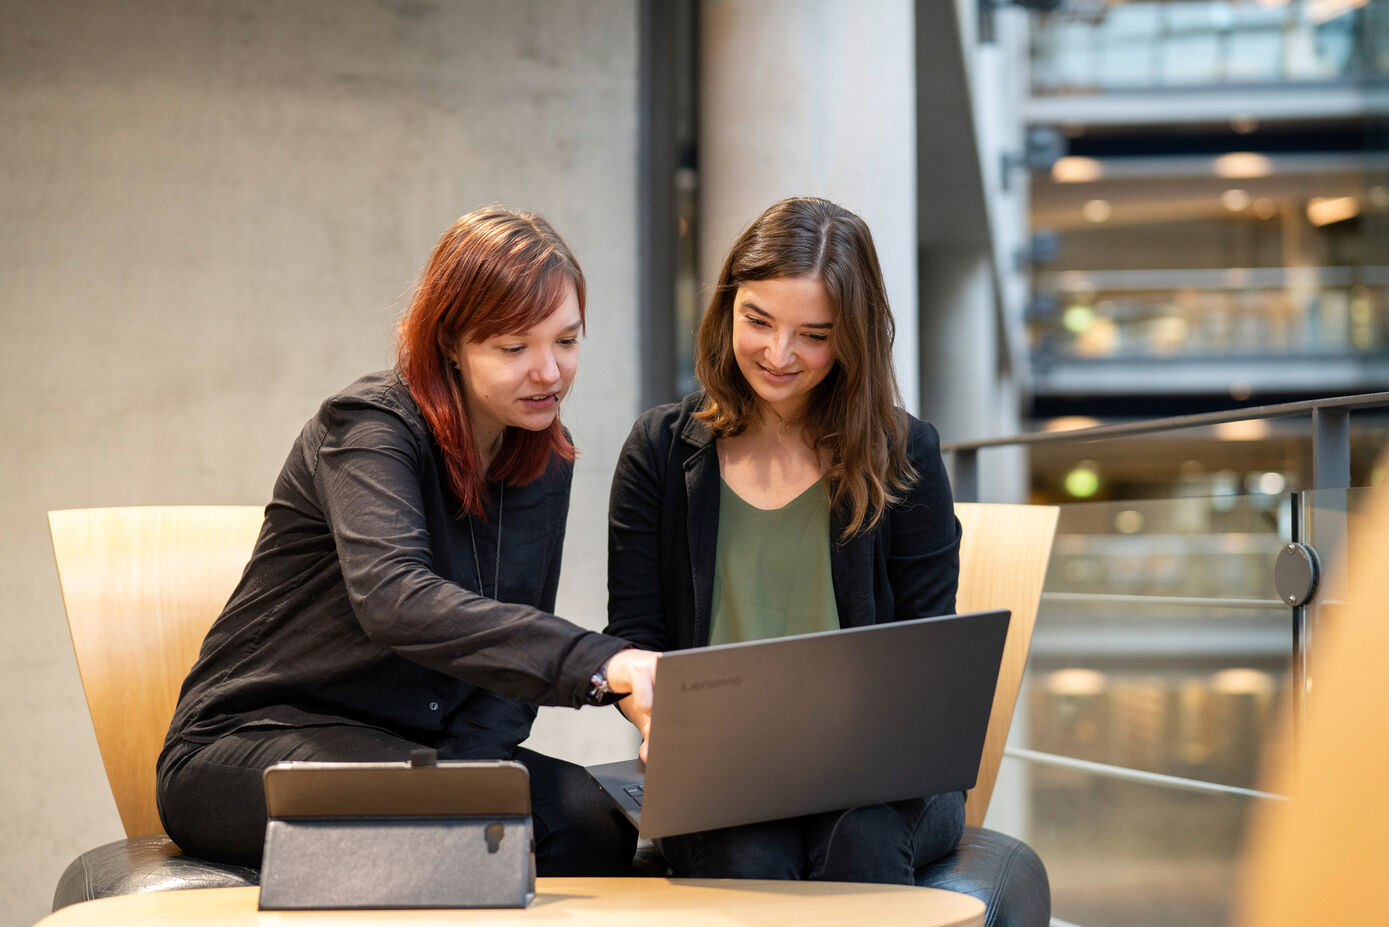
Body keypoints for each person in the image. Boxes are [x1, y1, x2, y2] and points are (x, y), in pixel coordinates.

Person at [157, 206, 657, 873]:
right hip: (253, 739)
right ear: (450, 342)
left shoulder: (542, 452)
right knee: (442, 830)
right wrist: (604, 662)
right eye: (514, 347)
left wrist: (472, 775)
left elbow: (509, 656)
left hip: (413, 746)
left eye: (565, 341)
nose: (549, 372)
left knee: (590, 822)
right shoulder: (370, 426)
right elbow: (395, 598)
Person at [605, 196, 964, 883]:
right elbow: (634, 636)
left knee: (859, 838)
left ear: (852, 337)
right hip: (722, 770)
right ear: (726, 311)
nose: (777, 354)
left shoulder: (902, 450)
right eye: (757, 321)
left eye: (813, 334)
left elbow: (929, 646)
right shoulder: (659, 448)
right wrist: (658, 726)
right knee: (748, 851)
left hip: (879, 777)